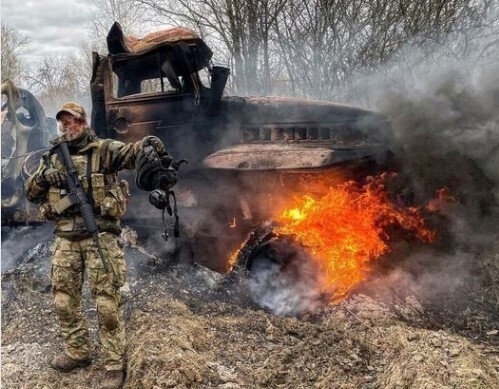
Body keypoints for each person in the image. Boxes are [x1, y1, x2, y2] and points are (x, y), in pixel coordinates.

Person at [24, 102, 176, 389]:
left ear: (83, 122)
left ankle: (113, 364)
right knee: (63, 301)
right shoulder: (52, 157)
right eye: (63, 123)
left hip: (100, 237)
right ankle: (78, 352)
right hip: (66, 239)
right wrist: (45, 177)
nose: (68, 127)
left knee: (106, 303)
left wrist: (147, 143)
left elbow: (131, 154)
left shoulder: (103, 149)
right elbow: (30, 192)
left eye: (73, 122)